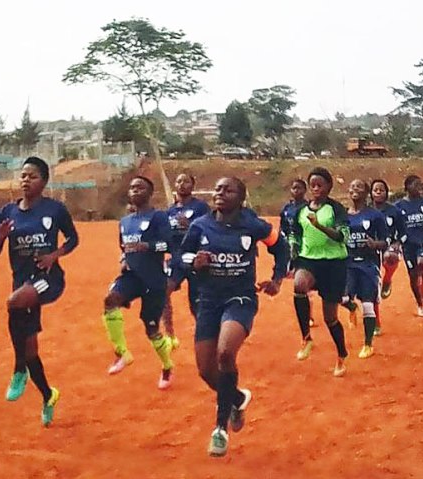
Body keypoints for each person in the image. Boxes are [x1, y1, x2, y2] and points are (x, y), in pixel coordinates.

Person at [180, 177, 288, 457]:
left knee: (225, 352)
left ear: (241, 198)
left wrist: (277, 279)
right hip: (209, 301)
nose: (220, 193)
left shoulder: (253, 225)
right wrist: (194, 261)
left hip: (240, 299)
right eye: (217, 188)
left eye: (228, 190)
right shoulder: (200, 226)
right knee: (205, 369)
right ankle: (238, 398)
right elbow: (182, 255)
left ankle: (220, 429)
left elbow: (280, 245)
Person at [0, 156, 79, 427]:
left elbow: (73, 239)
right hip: (23, 282)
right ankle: (48, 394)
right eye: (23, 175)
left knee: (13, 302)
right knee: (30, 350)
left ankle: (18, 371)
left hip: (48, 279)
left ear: (44, 181)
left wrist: (55, 254)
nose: (26, 180)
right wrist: (0, 238)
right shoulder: (8, 212)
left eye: (33, 176)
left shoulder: (55, 210)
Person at [102, 176, 175, 390]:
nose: (135, 190)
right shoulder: (125, 222)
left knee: (151, 329)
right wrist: (124, 259)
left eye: (140, 187)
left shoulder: (159, 217)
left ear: (149, 193)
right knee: (110, 301)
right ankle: (122, 353)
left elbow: (167, 245)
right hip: (132, 276)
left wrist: (148, 246)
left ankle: (167, 365)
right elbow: (123, 247)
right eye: (132, 187)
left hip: (154, 279)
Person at [291, 167, 349, 377]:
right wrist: (293, 247)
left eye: (320, 185)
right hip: (309, 260)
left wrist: (320, 227)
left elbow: (342, 237)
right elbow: (295, 234)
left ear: (328, 187)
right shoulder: (301, 211)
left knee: (330, 317)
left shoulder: (336, 209)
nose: (316, 189)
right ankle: (306, 338)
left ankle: (341, 354)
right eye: (312, 185)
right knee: (299, 285)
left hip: (334, 263)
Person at [161, 173, 210, 349]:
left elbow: (210, 230)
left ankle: (205, 334)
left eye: (186, 181)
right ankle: (170, 335)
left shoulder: (201, 208)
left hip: (196, 258)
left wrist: (190, 226)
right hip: (177, 259)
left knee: (196, 301)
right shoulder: (169, 212)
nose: (182, 184)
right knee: (163, 290)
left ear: (192, 185)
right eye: (179, 181)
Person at [343, 179, 389, 358]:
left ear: (366, 193)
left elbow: (385, 242)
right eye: (352, 186)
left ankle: (368, 344)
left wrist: (374, 244)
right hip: (347, 263)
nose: (355, 189)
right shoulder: (342, 216)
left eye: (359, 186)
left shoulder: (375, 216)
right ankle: (352, 307)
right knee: (342, 297)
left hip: (368, 266)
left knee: (369, 305)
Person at [394, 175, 423, 317]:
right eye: (415, 185)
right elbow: (394, 225)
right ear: (407, 187)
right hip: (408, 245)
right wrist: (396, 241)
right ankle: (420, 303)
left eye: (420, 185)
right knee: (413, 276)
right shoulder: (399, 206)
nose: (419, 188)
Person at [370, 179, 407, 335]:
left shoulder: (394, 212)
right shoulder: (365, 211)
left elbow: (404, 233)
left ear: (387, 192)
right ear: (370, 193)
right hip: (369, 251)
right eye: (375, 190)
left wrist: (398, 243)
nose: (378, 192)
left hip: (388, 247)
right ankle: (375, 322)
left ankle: (388, 279)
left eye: (381, 190)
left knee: (390, 257)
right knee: (371, 287)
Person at [280, 179, 316, 329]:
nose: (296, 191)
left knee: (303, 282)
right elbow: (282, 227)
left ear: (304, 190)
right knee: (293, 277)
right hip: (290, 246)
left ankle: (309, 315)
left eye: (299, 188)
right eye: (293, 188)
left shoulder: (308, 208)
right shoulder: (287, 209)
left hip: (304, 247)